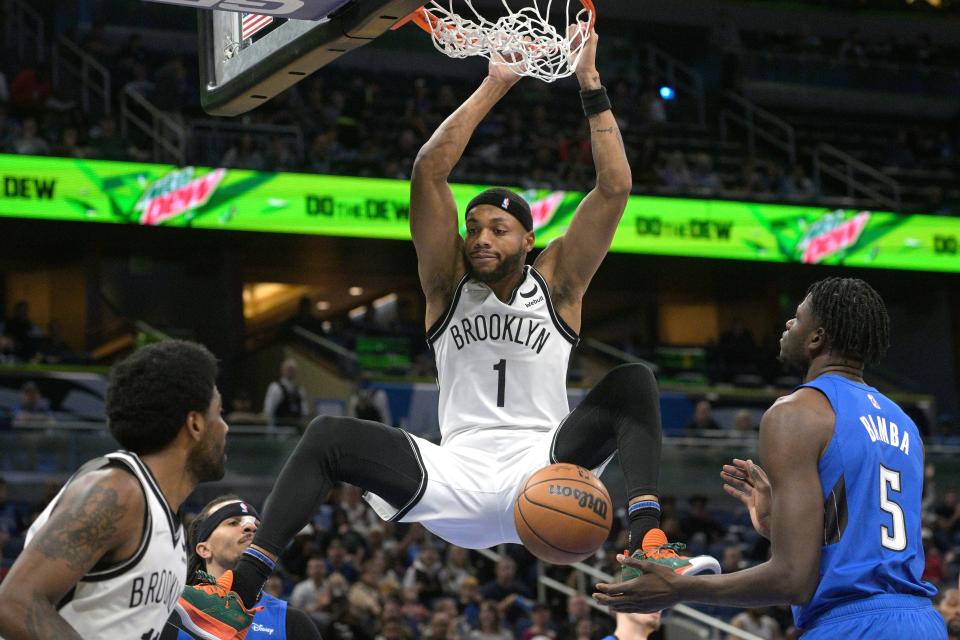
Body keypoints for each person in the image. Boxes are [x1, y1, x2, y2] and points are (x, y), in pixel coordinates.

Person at [181, 26, 717, 639]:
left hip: (544, 464)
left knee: (632, 383)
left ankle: (648, 539)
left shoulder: (560, 286)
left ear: (529, 241)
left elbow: (615, 187)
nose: (482, 237)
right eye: (474, 227)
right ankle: (238, 593)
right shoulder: (444, 282)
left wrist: (589, 80)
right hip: (454, 470)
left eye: (499, 229)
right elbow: (428, 170)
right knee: (328, 436)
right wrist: (495, 83)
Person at [593, 277, 946, 639]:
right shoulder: (905, 425)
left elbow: (792, 580)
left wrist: (679, 588)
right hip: (922, 622)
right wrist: (775, 522)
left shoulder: (797, 412)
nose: (788, 324)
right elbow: (864, 543)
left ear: (816, 338)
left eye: (797, 317)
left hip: (853, 626)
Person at [0, 339, 228, 639]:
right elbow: (13, 602)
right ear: (195, 424)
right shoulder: (119, 491)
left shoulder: (167, 519)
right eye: (219, 413)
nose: (225, 427)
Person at [163, 495, 319, 639]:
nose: (251, 527)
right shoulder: (171, 612)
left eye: (257, 525)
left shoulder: (291, 622)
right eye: (233, 522)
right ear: (204, 549)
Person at [262, 358, 309, 427]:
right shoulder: (275, 388)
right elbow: (268, 411)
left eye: (293, 370)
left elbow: (304, 412)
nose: (291, 372)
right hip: (280, 430)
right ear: (282, 370)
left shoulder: (300, 390)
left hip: (296, 430)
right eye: (288, 369)